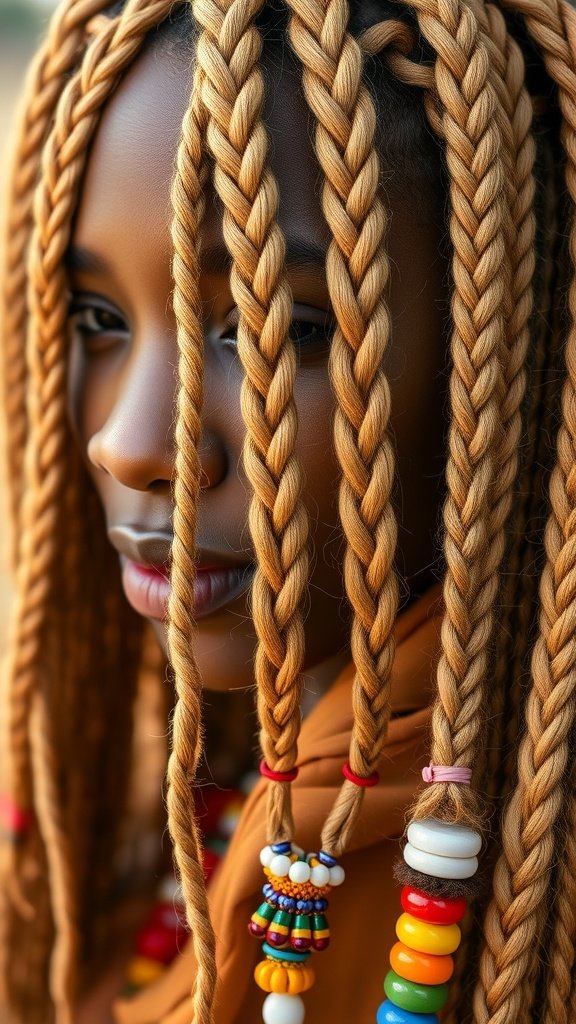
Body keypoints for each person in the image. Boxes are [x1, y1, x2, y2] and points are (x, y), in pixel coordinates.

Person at [1, 0, 574, 1021]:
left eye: (275, 331)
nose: (130, 443)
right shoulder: (192, 797)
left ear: (494, 354)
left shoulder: (481, 890)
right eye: (98, 317)